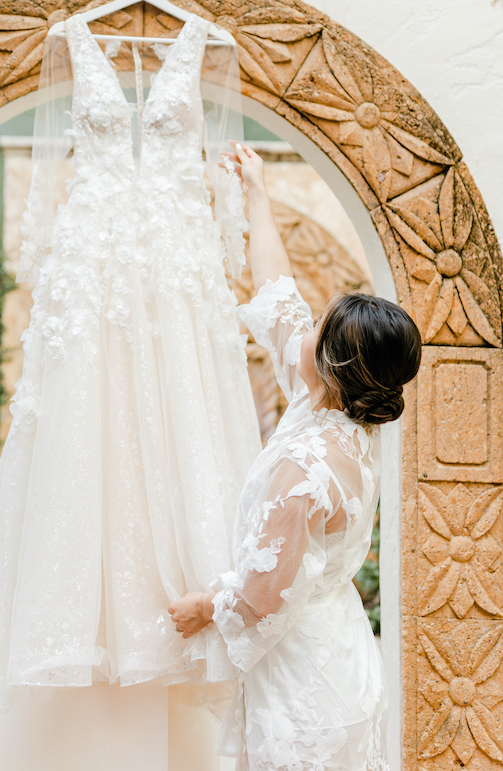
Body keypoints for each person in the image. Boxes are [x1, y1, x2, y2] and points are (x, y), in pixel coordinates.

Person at [168, 143, 422, 771]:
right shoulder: (340, 411)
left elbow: (262, 593)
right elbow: (279, 298)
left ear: (330, 363)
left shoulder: (307, 463)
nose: (301, 327)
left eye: (316, 327)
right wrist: (255, 189)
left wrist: (201, 607)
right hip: (341, 651)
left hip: (304, 684)